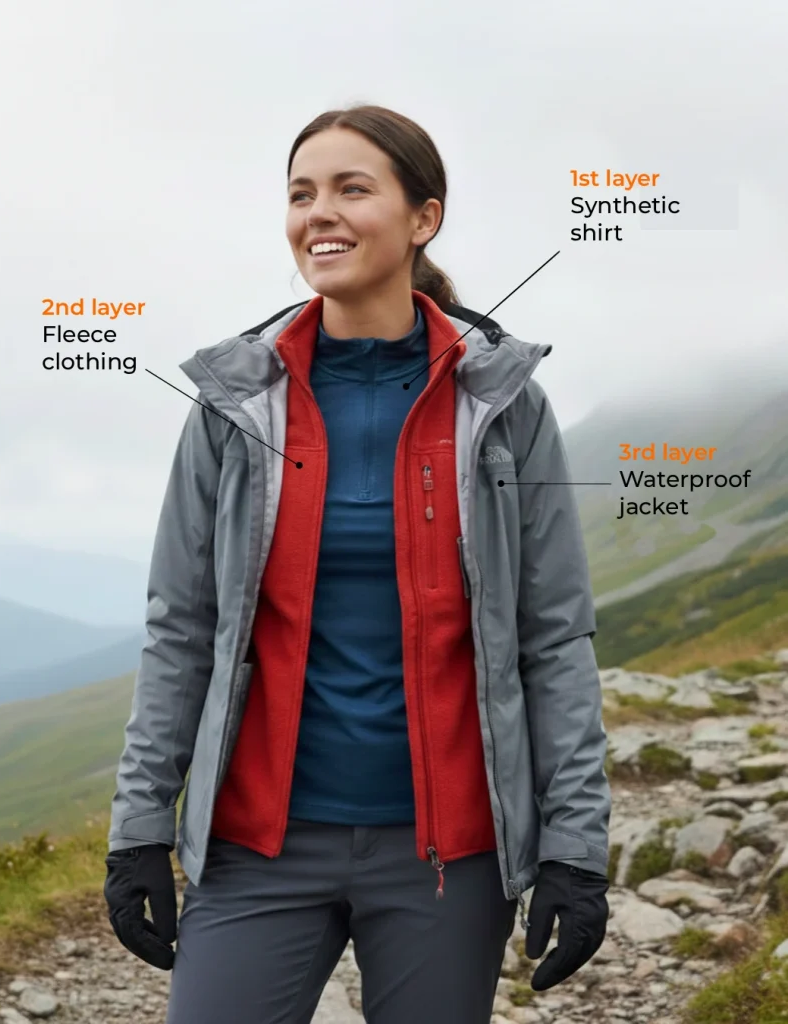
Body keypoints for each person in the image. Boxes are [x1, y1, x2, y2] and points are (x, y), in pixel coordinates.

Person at [103, 103, 611, 1024]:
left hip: (447, 859)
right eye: (300, 194)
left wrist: (575, 849)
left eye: (350, 189)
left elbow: (553, 637)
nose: (317, 214)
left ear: (424, 217)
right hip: (256, 845)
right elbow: (181, 627)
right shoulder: (234, 403)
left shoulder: (501, 404)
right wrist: (138, 830)